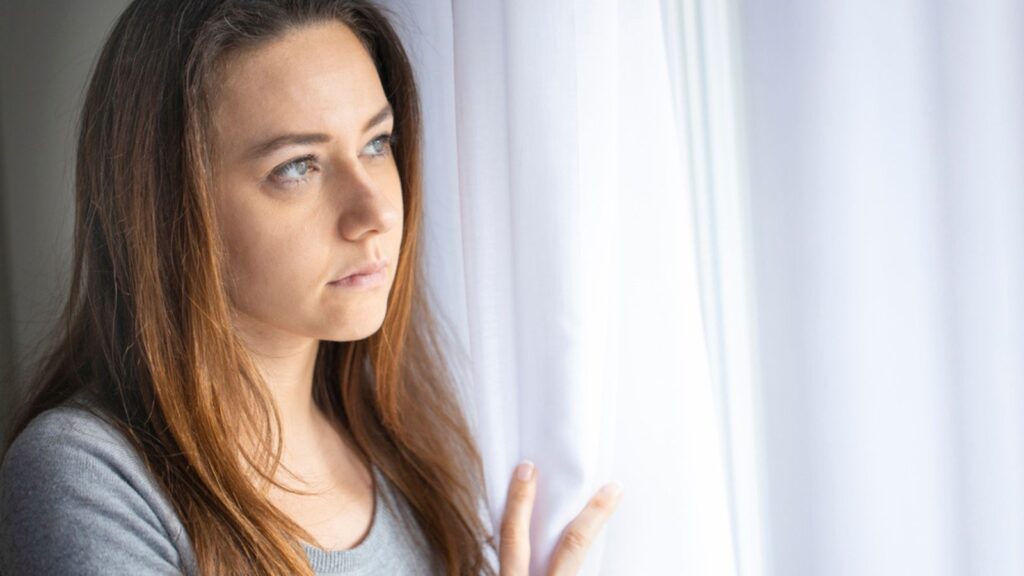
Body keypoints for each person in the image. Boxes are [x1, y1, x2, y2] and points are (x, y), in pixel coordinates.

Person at [0, 1, 623, 574]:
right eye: (297, 166)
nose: (375, 212)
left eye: (377, 143)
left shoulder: (407, 441)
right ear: (166, 210)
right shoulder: (85, 476)